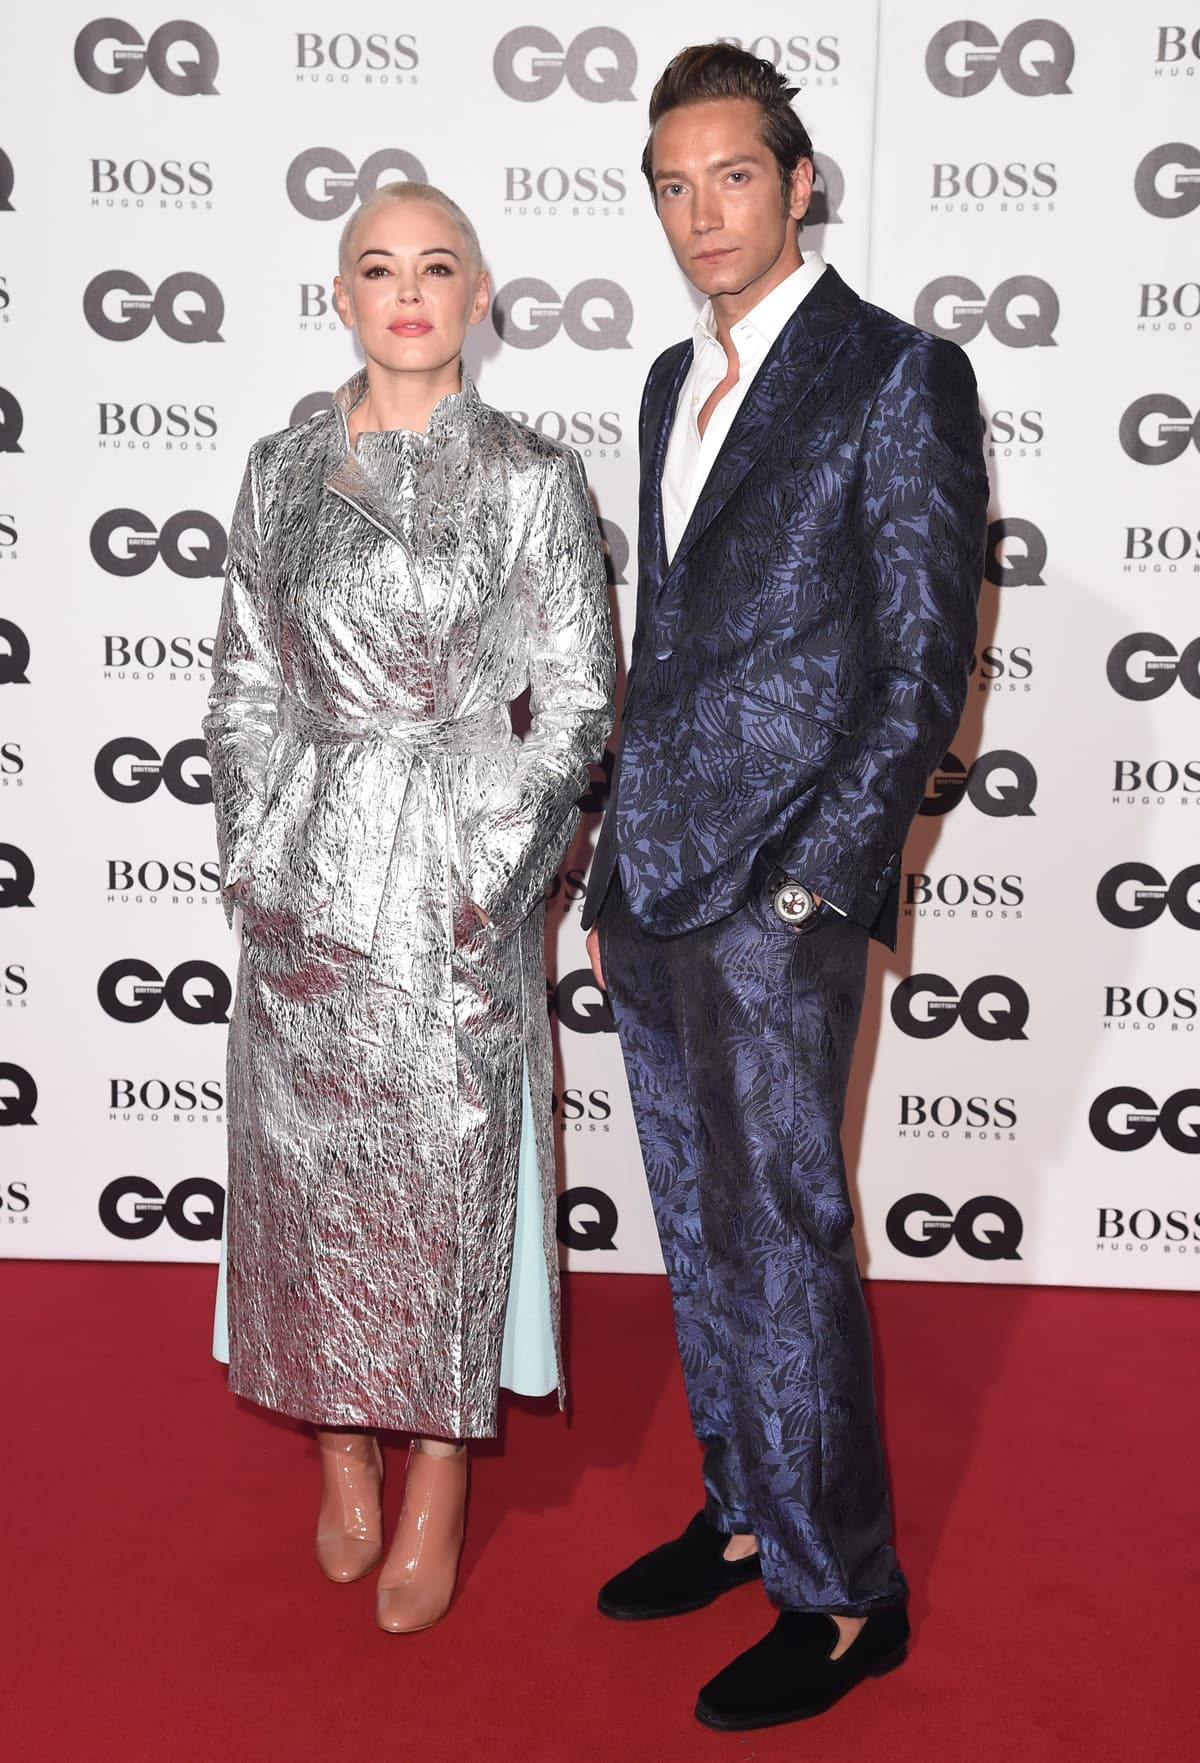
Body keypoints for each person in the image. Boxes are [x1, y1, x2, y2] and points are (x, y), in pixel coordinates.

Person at [582, 45, 988, 1731]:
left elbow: (921, 662)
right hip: (654, 875)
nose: (702, 213)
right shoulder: (671, 384)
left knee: (791, 1231)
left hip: (780, 897)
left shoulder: (898, 376)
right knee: (697, 1212)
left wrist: (820, 886)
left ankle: (844, 1596)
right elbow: (670, 644)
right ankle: (747, 1507)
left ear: (798, 180)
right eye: (673, 184)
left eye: (731, 176)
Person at [204, 180, 614, 1635]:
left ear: (479, 293)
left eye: (438, 266)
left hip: (452, 878)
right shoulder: (278, 468)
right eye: (379, 268)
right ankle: (338, 1450)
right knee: (308, 1172)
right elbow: (246, 679)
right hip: (308, 871)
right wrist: (256, 851)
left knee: (445, 1184)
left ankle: (437, 1470)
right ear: (341, 298)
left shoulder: (528, 476)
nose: (409, 291)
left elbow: (573, 699)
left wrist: (491, 869)